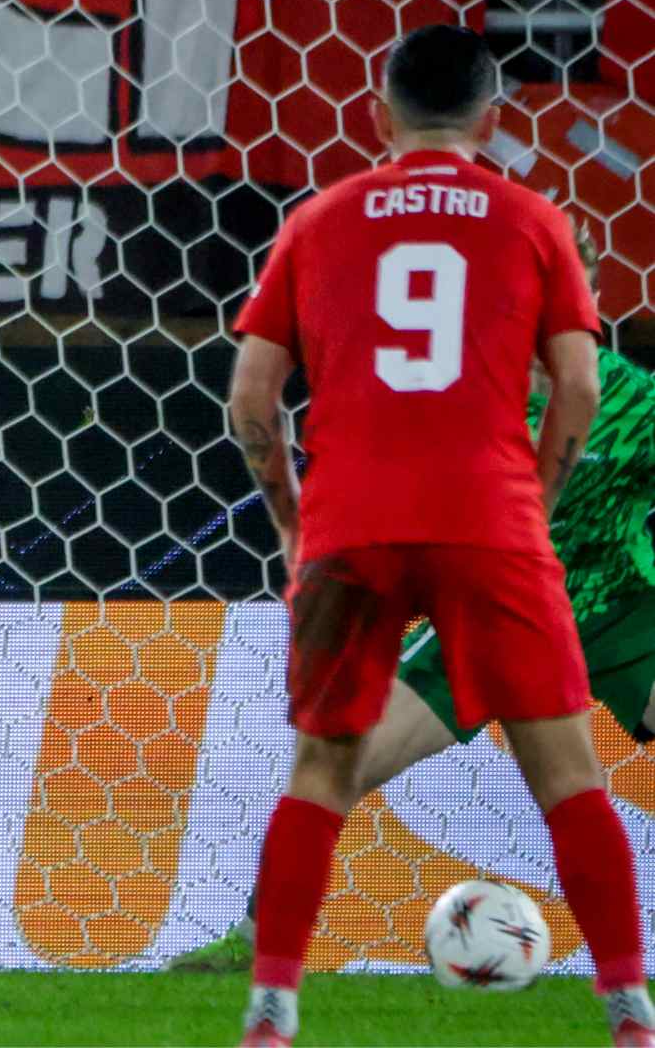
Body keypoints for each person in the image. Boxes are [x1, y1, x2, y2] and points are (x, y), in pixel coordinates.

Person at [224, 25, 655, 1048]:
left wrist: (292, 523)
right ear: (491, 118)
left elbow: (251, 401)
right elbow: (579, 388)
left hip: (381, 533)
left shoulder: (321, 218)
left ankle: (271, 1010)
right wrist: (532, 496)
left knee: (320, 770)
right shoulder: (529, 229)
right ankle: (630, 1013)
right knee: (565, 781)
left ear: (380, 115)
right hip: (496, 545)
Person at [175, 225, 655, 979]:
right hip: (486, 617)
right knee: (343, 762)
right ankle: (251, 942)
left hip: (616, 605)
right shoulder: (462, 394)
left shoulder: (635, 402)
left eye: (576, 300)